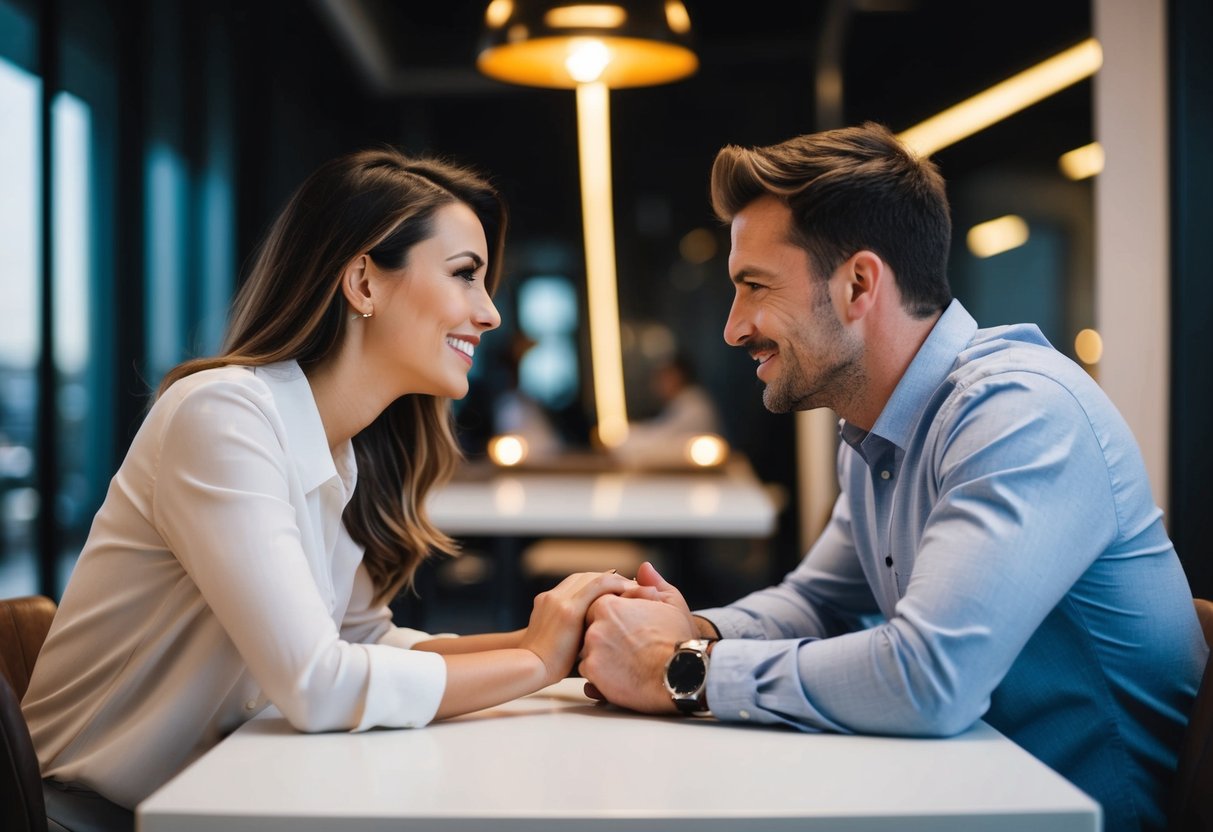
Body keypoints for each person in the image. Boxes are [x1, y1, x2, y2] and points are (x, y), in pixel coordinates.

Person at [578, 123, 1208, 831]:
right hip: (964, 797)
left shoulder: (1018, 412)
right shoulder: (874, 432)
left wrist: (680, 670)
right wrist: (684, 629)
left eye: (753, 286)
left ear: (857, 284)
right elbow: (815, 604)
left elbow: (928, 679)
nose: (731, 327)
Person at [21, 148, 632, 822]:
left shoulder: (341, 449)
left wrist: (549, 638)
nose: (489, 314)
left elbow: (362, 642)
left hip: (219, 796)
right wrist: (539, 664)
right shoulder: (224, 415)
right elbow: (317, 684)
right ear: (364, 283)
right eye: (465, 275)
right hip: (80, 814)